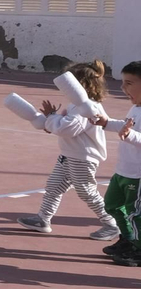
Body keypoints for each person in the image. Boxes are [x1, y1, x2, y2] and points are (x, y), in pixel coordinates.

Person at [18, 62, 119, 240]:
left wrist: (52, 118)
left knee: (86, 191)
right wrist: (51, 122)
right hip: (69, 154)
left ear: (80, 85)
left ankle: (112, 223)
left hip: (83, 157)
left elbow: (68, 129)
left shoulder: (86, 108)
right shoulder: (75, 106)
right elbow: (63, 126)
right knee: (54, 186)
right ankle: (43, 218)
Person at [101, 62, 141, 266]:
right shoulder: (135, 108)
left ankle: (139, 248)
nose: (123, 88)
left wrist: (130, 135)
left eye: (129, 83)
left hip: (138, 175)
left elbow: (133, 134)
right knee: (112, 205)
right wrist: (106, 122)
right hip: (123, 171)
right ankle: (128, 239)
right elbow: (126, 126)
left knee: (136, 214)